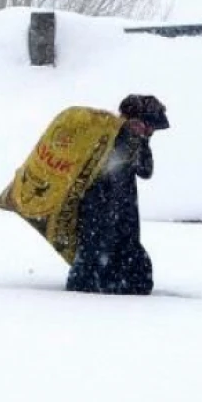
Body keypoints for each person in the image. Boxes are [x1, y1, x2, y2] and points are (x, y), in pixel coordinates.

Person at [66, 95, 170, 295]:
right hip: (100, 208)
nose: (149, 132)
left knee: (125, 260)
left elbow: (146, 170)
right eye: (147, 126)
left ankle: (106, 286)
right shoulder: (109, 136)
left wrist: (142, 141)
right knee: (95, 255)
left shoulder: (135, 140)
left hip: (122, 211)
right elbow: (104, 171)